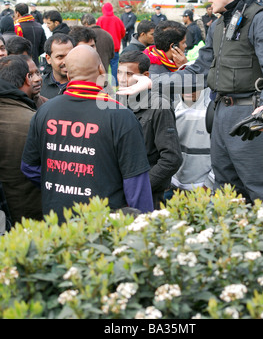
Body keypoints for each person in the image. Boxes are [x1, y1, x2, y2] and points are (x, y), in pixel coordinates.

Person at [118, 0, 263, 204]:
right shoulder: (220, 25)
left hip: (254, 119)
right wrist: (152, 83)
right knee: (228, 196)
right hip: (222, 118)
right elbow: (199, 71)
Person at [21, 45, 154, 224]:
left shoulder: (45, 111)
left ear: (69, 76)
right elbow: (136, 184)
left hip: (57, 221)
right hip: (104, 228)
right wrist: (146, 227)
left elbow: (29, 166)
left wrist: (62, 182)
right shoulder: (121, 116)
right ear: (101, 70)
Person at [118, 50, 182, 209]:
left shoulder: (159, 107)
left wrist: (141, 187)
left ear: (145, 76)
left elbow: (171, 158)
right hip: (119, 191)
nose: (122, 79)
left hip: (149, 195)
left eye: (128, 74)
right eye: (119, 73)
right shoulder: (116, 102)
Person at [0, 55, 43, 225]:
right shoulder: (35, 122)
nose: (38, 78)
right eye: (32, 74)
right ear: (27, 79)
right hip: (29, 216)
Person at [170, 87, 213, 194]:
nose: (189, 90)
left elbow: (223, 155)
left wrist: (208, 184)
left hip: (201, 189)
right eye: (184, 85)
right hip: (172, 187)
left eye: (195, 86)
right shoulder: (172, 110)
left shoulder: (212, 113)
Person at [96, 2, 125, 85]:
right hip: (115, 47)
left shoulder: (100, 19)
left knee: (103, 65)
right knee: (115, 66)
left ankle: (103, 83)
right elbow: (122, 32)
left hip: (102, 47)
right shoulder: (117, 19)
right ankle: (115, 82)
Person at [41, 33, 75, 99]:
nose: (66, 61)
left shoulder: (85, 85)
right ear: (48, 59)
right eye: (60, 57)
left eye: (69, 55)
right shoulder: (39, 86)